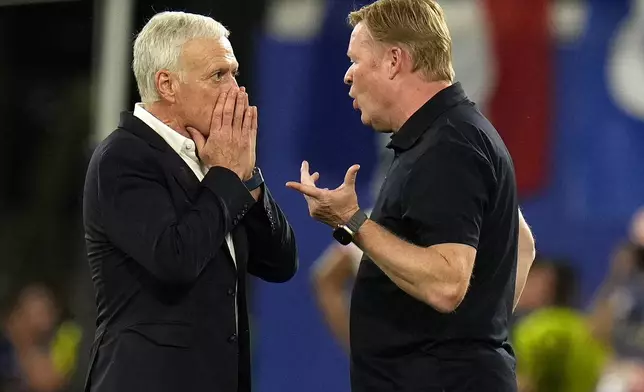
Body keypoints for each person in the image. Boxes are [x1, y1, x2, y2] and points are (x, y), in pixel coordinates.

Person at [286, 1, 536, 391]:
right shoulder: (453, 133)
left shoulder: (447, 146)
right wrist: (475, 334)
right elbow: (523, 243)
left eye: (355, 60)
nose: (348, 76)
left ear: (393, 61)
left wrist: (352, 222)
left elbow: (447, 284)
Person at [82, 11, 297, 392]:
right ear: (167, 84)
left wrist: (247, 178)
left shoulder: (214, 159)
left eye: (234, 72)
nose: (236, 90)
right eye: (218, 75)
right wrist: (227, 178)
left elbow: (281, 264)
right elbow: (174, 258)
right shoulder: (123, 157)